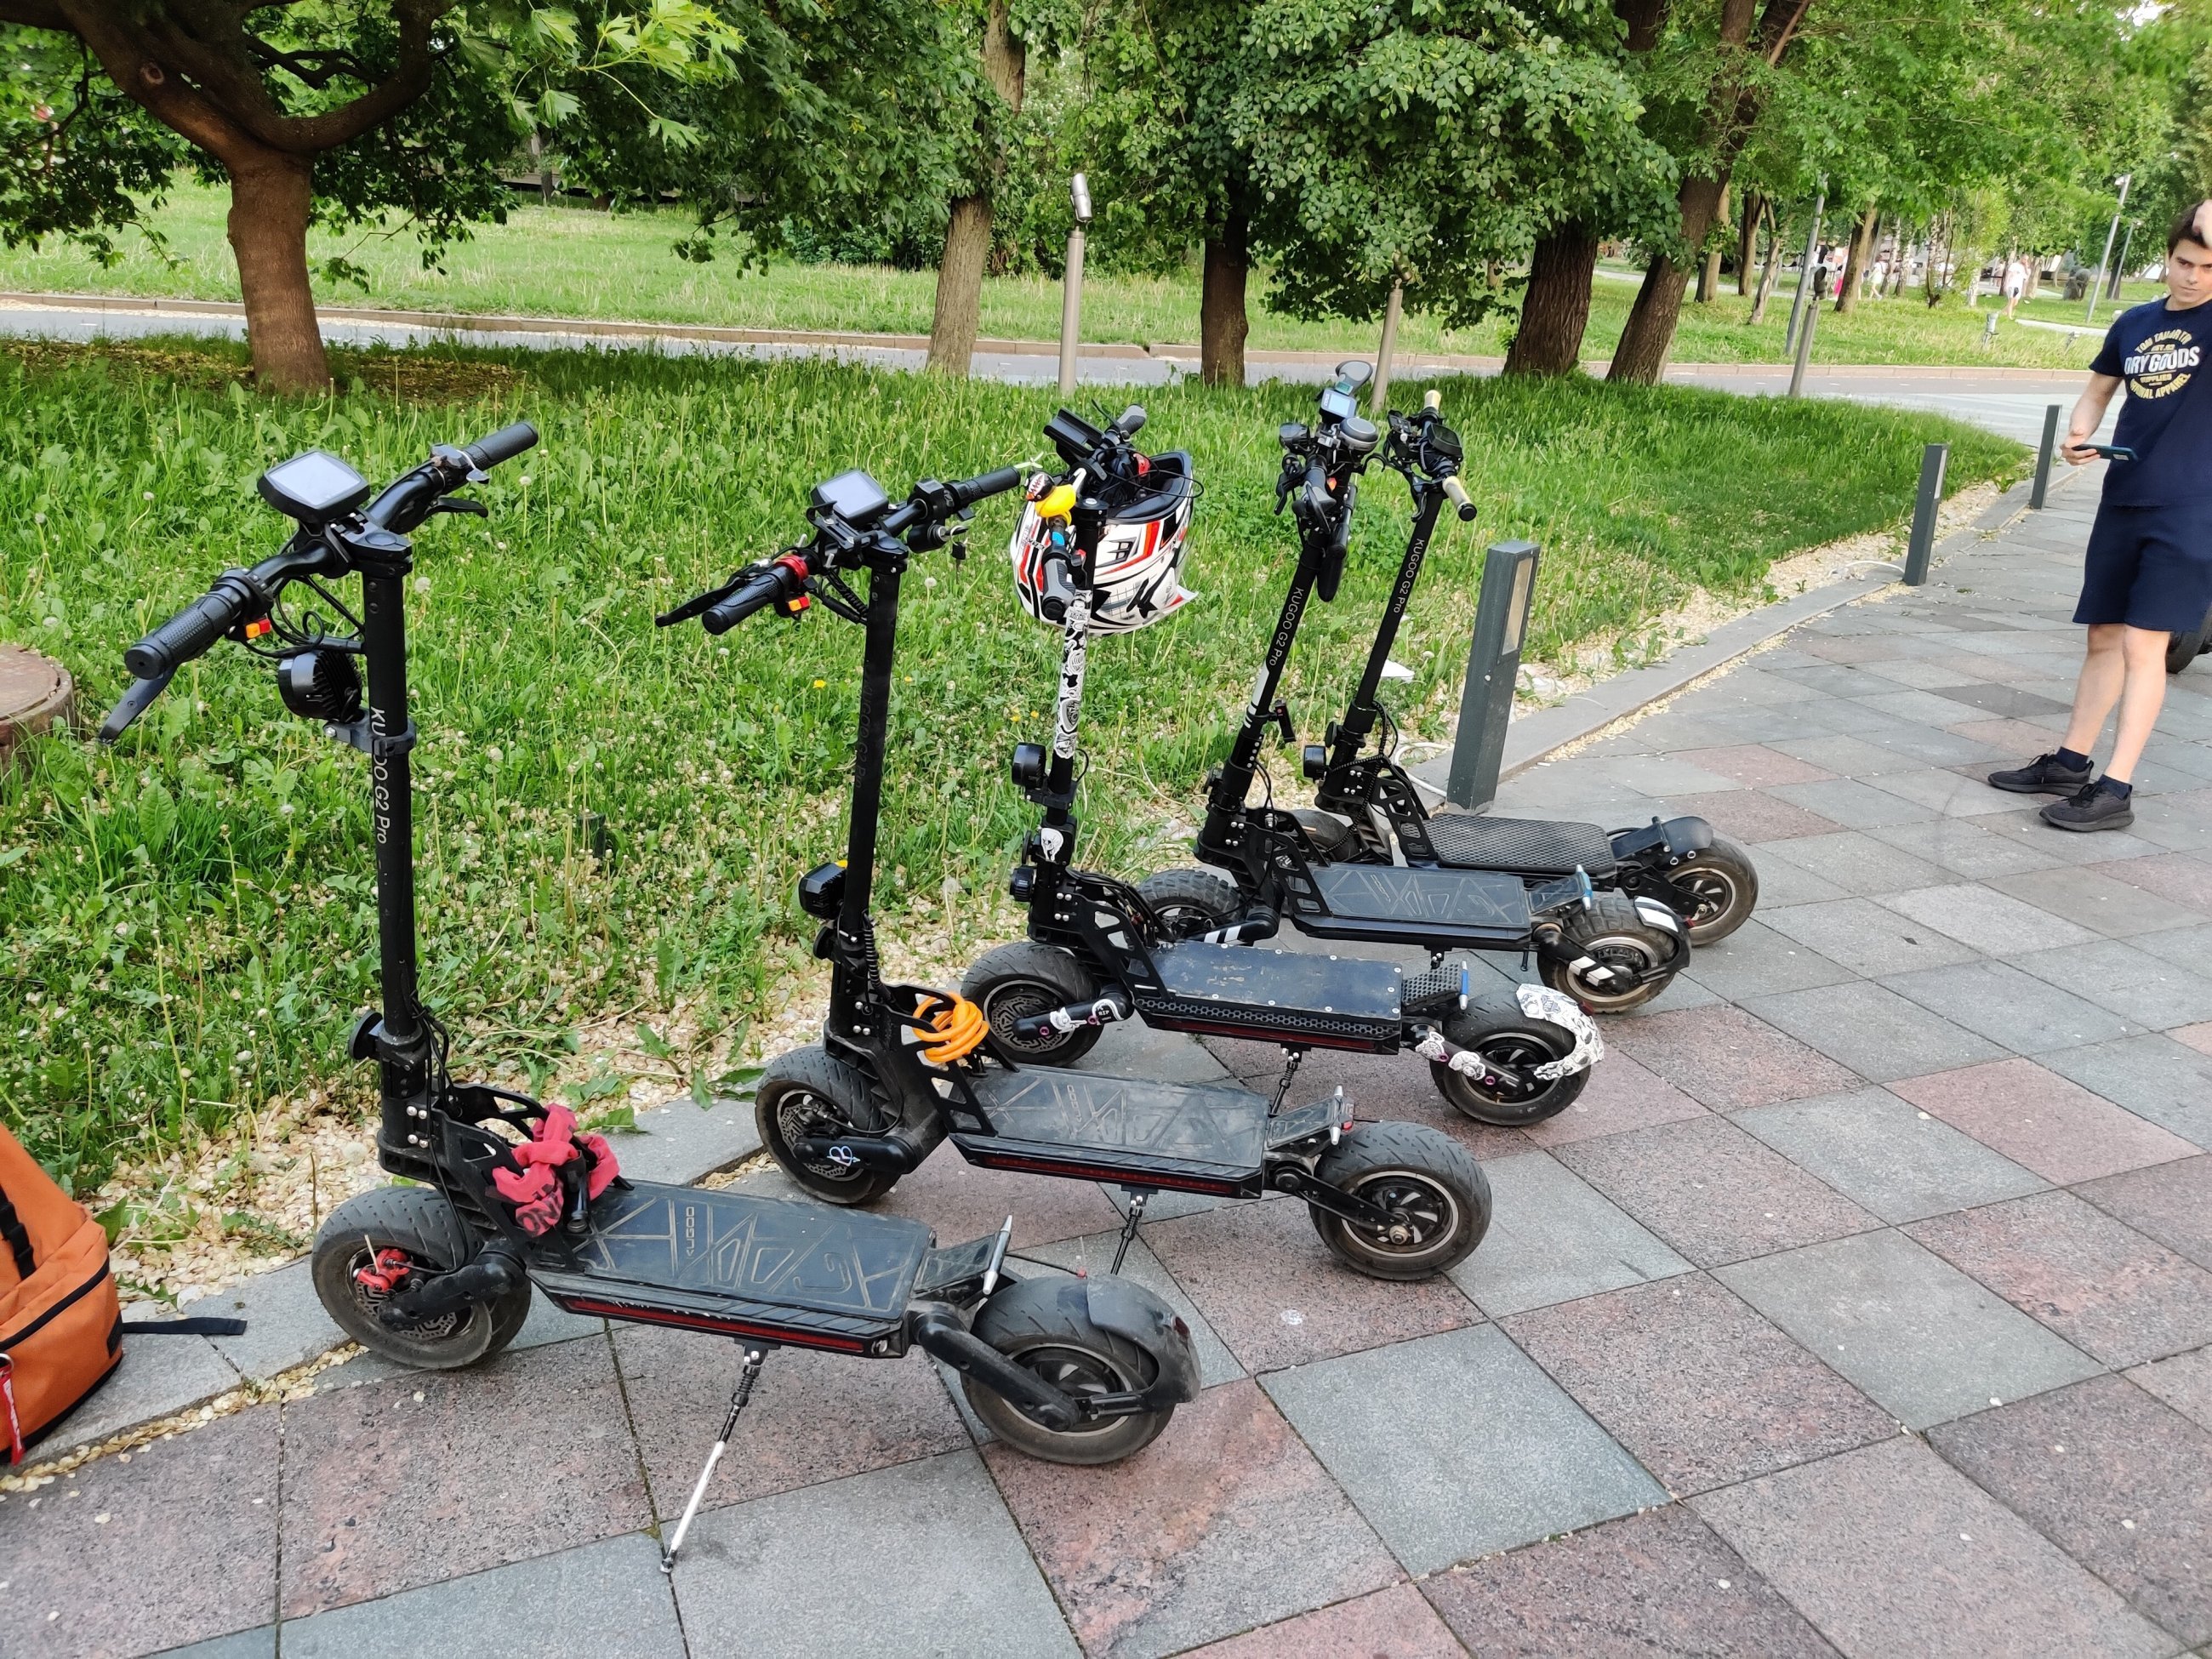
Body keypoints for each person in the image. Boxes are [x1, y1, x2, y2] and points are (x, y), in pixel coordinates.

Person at [1988, 200, 2212, 830]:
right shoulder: (2136, 322)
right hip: (2125, 496)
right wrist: (2078, 435)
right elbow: (2096, 393)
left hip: (2193, 509)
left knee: (2145, 643)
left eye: (2207, 267)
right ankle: (2070, 763)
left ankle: (2117, 788)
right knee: (2105, 636)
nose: (2192, 277)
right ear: (2168, 259)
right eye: (2184, 262)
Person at [2003, 253, 2029, 318]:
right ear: (2021, 258)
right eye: (2024, 259)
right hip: (2012, 285)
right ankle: (2009, 316)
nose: (2025, 261)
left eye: (2027, 260)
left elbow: (2027, 275)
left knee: (2015, 302)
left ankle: (2003, 312)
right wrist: (2006, 284)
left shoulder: (2024, 267)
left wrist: (2026, 267)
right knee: (2011, 301)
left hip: (2019, 286)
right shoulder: (2014, 265)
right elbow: (2008, 275)